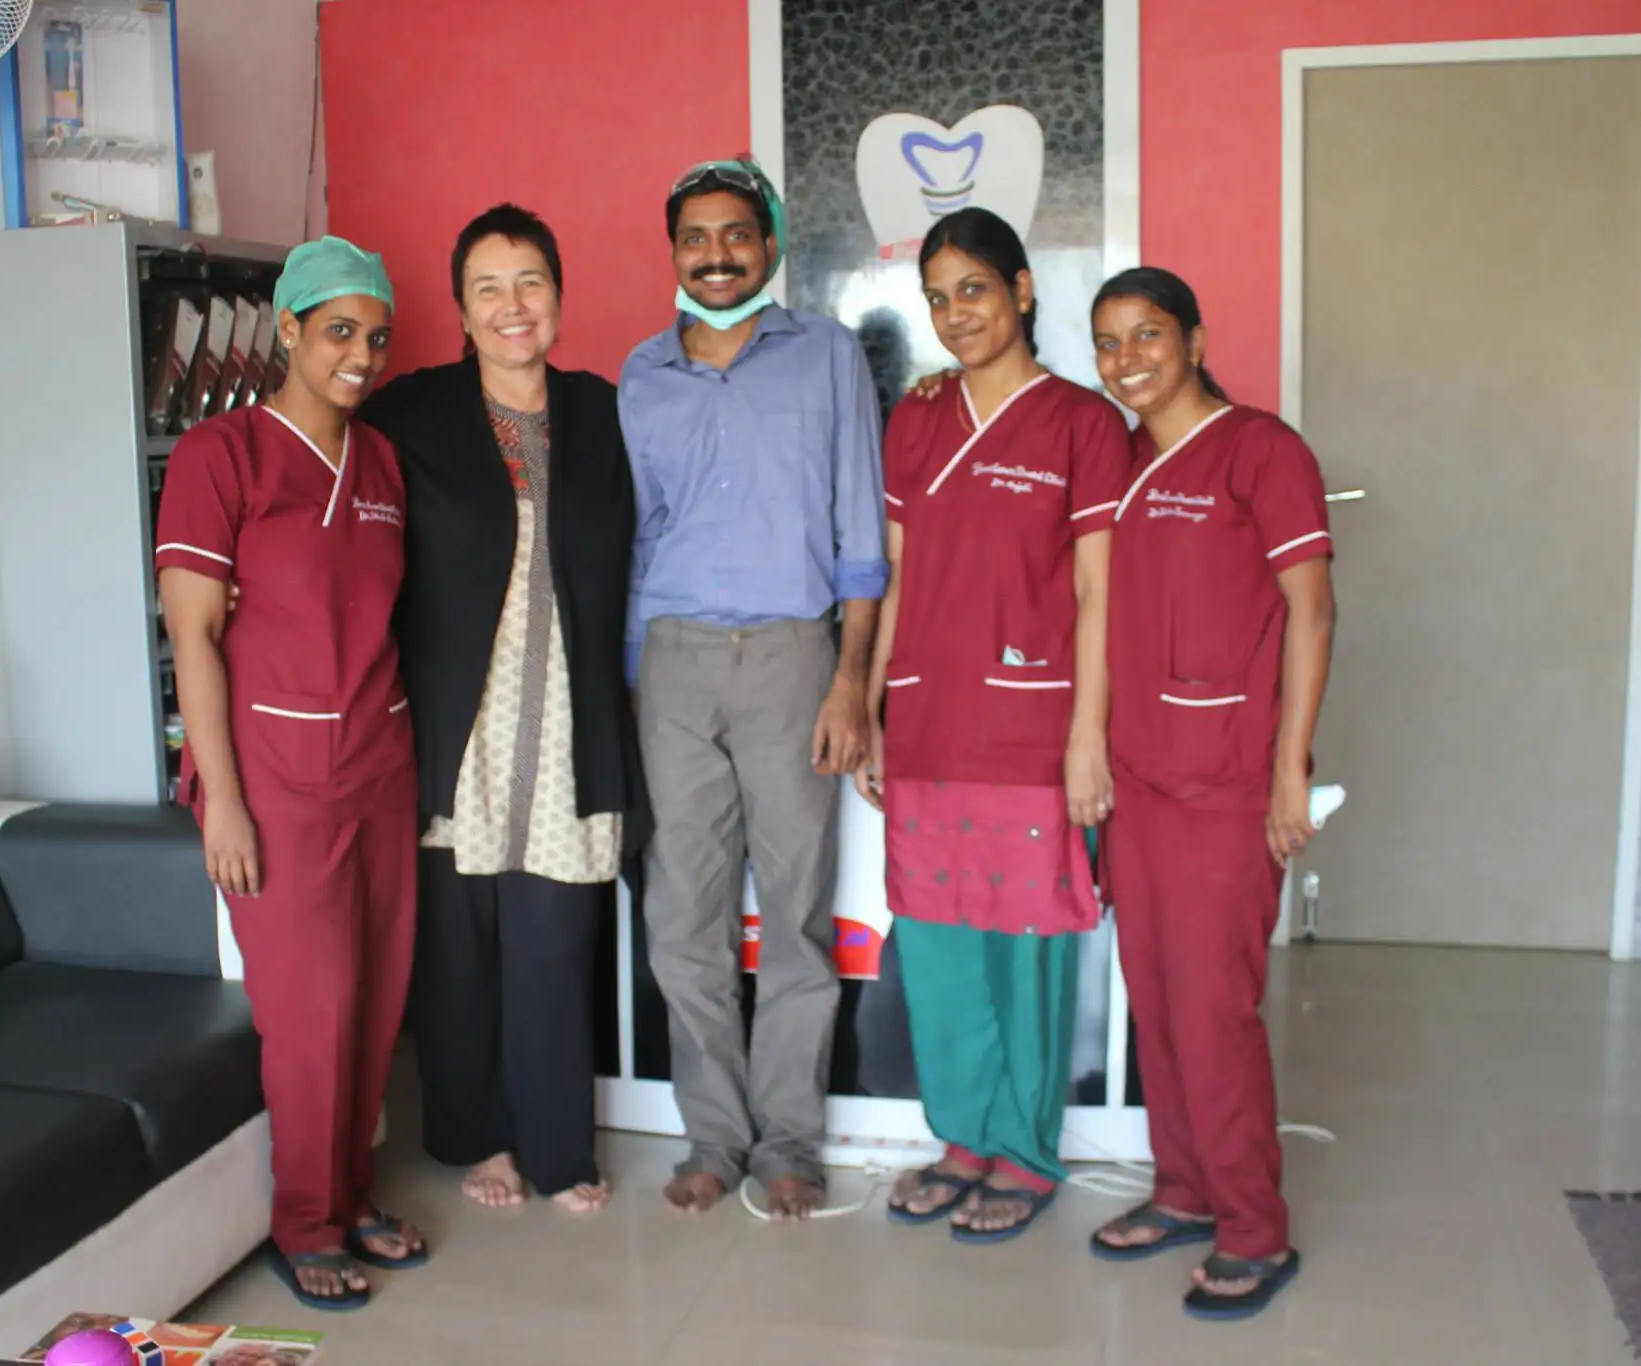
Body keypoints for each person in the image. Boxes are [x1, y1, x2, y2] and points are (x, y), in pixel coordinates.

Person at [359, 204, 648, 1217]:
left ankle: (558, 1147)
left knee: (555, 944)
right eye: (488, 287)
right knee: (461, 949)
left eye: (530, 281)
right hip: (459, 727)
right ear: (460, 308)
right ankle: (479, 1136)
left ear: (558, 296)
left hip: (569, 722)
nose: (511, 305)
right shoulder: (410, 414)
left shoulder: (604, 413)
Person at [154, 235, 426, 1311]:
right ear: (289, 328)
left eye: (377, 337)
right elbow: (194, 637)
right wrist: (221, 798)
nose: (360, 355)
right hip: (272, 777)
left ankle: (352, 1194)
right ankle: (305, 1222)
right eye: (339, 332)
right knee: (310, 1012)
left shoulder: (382, 464)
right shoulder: (220, 456)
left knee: (376, 998)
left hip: (378, 762)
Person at [619, 157, 887, 1220]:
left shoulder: (827, 356)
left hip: (792, 658)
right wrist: (634, 682)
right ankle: (712, 1137)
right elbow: (637, 536)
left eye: (736, 233)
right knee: (681, 914)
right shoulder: (641, 375)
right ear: (673, 251)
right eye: (695, 236)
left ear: (769, 245)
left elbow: (860, 531)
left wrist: (850, 681)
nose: (717, 254)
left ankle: (786, 1141)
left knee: (795, 912)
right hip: (673, 663)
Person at [857, 207, 1130, 1245]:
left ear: (1021, 289)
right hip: (928, 720)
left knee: (1026, 949)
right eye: (937, 297)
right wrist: (874, 705)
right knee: (938, 949)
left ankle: (1023, 1150)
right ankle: (962, 1139)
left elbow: (1099, 590)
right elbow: (896, 575)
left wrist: (1087, 737)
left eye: (973, 288)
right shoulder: (916, 420)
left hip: (1031, 731)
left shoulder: (1081, 425)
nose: (955, 313)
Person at [1084, 266, 1333, 1321]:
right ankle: (1183, 1188)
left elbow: (1311, 610)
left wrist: (1289, 769)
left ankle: (1253, 1228)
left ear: (1192, 340)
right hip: (1139, 776)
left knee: (1214, 1008)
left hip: (1227, 779)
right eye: (1107, 342)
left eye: (1146, 335)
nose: (1126, 360)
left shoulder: (1260, 451)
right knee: (1155, 997)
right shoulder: (1123, 460)